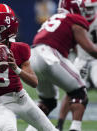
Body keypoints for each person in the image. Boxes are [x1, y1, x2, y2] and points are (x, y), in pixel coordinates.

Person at [0, 12, 58, 131]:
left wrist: (16, 68)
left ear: (7, 31)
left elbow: (34, 82)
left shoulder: (20, 49)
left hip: (21, 99)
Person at [26, 0, 97, 131]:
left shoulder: (54, 18)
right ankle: (75, 128)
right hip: (49, 55)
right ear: (76, 8)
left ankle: (31, 129)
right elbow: (90, 49)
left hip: (33, 56)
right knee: (80, 92)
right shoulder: (74, 19)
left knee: (48, 102)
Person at [56, 0, 97, 130]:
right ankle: (60, 124)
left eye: (93, 8)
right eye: (87, 8)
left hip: (96, 60)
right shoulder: (76, 19)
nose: (90, 11)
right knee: (71, 91)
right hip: (81, 59)